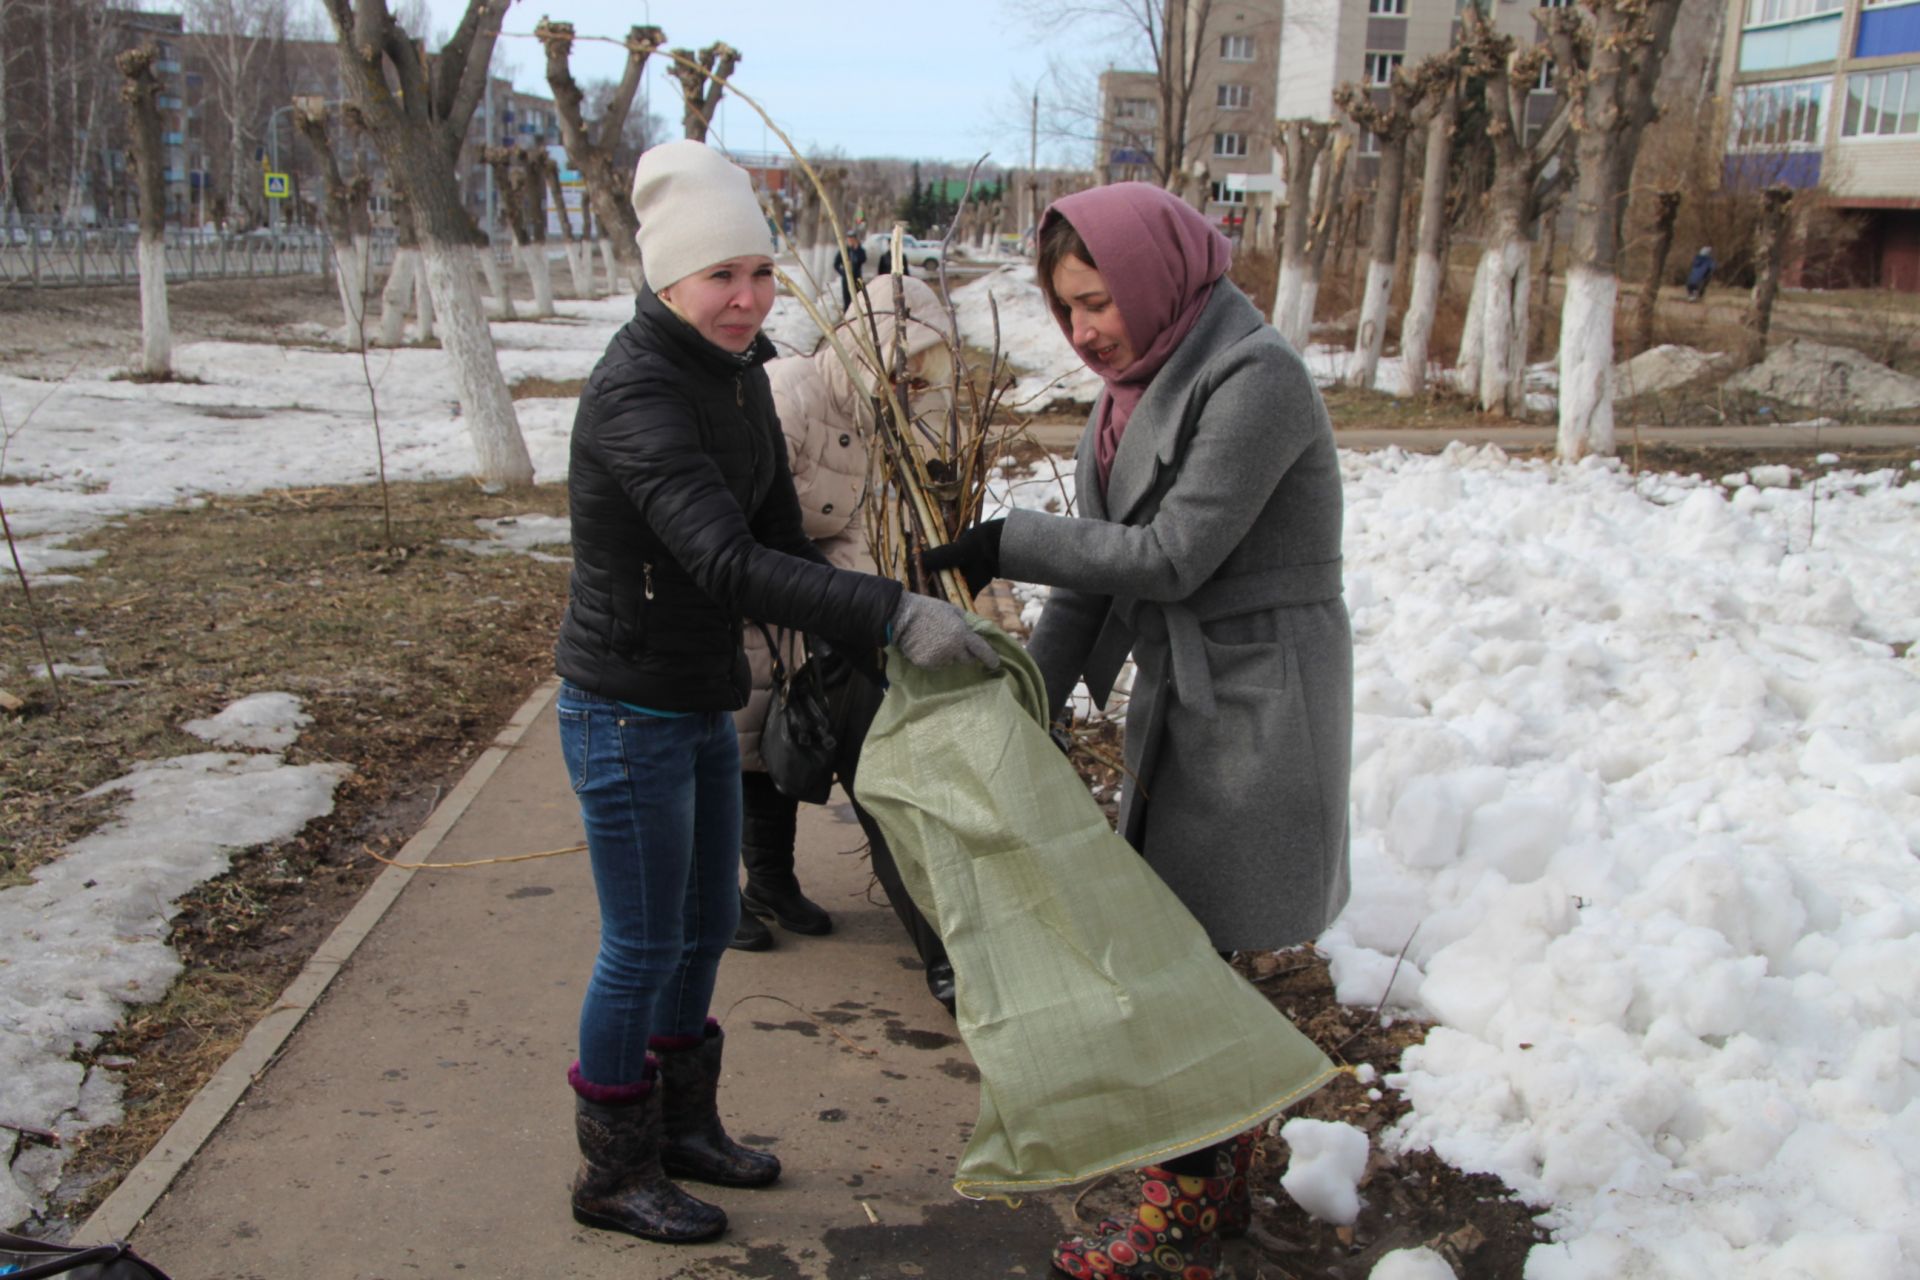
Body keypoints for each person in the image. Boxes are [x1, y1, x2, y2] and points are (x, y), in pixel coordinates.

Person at [553, 139, 995, 1248]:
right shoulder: (636, 396)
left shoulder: (736, 379)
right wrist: (890, 612)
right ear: (667, 279)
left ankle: (684, 1128)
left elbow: (782, 536)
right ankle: (612, 1169)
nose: (747, 297)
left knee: (704, 924)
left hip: (696, 695)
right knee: (642, 944)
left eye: (759, 270)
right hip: (625, 708)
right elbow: (726, 561)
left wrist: (875, 624)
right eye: (721, 277)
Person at [923, 181, 1353, 1280]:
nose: (1085, 330)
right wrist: (1025, 703)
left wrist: (1012, 538)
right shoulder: (1125, 395)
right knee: (1185, 960)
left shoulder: (1255, 379)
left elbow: (1167, 559)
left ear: (1158, 276)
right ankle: (1219, 1194)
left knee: (1179, 966)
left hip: (1260, 707)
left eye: (1099, 299)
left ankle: (1180, 1231)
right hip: (1189, 702)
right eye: (1066, 309)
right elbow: (1089, 590)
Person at [729, 273, 961, 1013]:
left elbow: (851, 524)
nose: (905, 380)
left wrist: (865, 612)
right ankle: (708, 901)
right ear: (864, 345)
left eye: (917, 371)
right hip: (743, 596)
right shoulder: (790, 390)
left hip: (804, 602)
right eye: (898, 362)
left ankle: (771, 883)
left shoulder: (863, 418)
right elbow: (732, 515)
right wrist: (820, 591)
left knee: (774, 747)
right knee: (731, 749)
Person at [829, 227, 866, 309]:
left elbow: (863, 259)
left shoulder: (860, 250)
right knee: (847, 300)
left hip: (857, 278)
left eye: (852, 238)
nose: (851, 241)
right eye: (849, 239)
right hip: (847, 279)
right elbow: (836, 264)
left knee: (859, 298)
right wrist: (842, 273)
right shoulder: (844, 250)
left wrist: (857, 249)